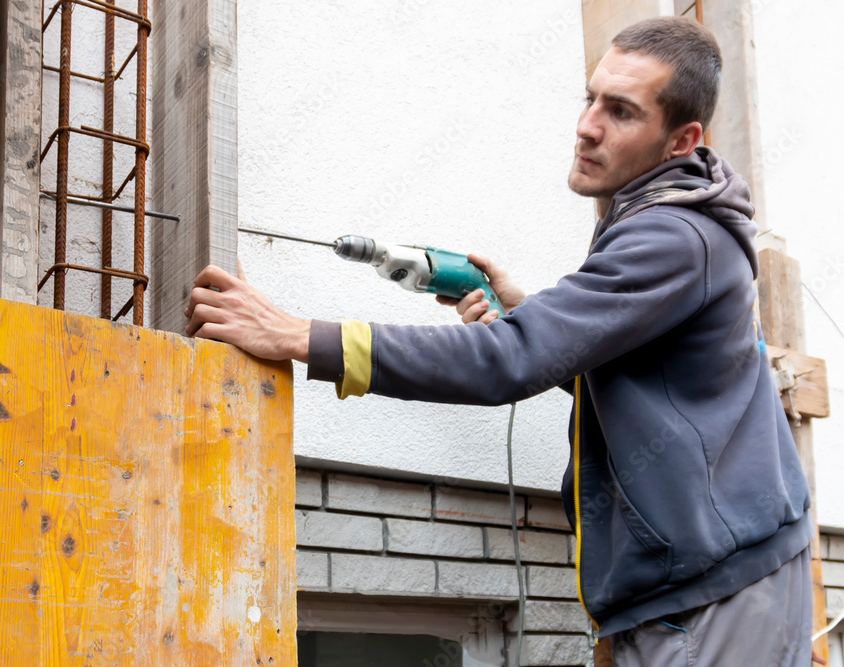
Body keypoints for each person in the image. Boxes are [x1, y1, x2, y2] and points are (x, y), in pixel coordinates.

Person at [185, 17, 814, 666]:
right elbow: (644, 371)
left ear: (682, 139)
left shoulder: (675, 237)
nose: (588, 125)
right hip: (684, 582)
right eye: (590, 98)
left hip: (720, 586)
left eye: (621, 111)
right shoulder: (658, 214)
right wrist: (528, 312)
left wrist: (296, 335)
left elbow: (506, 363)